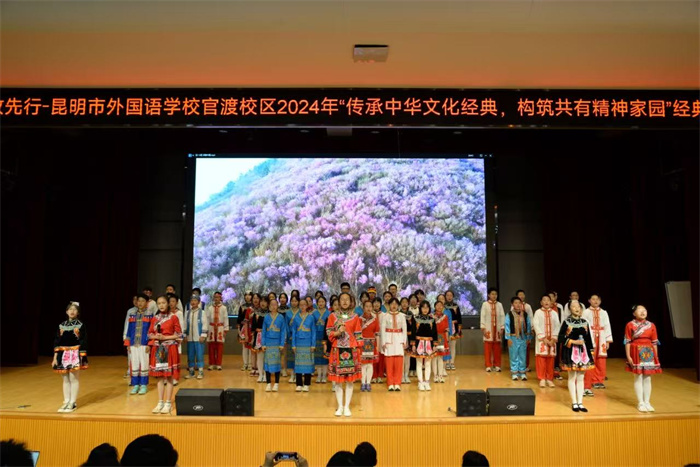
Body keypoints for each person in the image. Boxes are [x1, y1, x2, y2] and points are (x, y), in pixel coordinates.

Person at [327, 292, 363, 416]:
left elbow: (358, 333)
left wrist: (359, 349)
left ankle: (347, 406)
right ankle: (340, 406)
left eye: (347, 299)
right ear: (338, 301)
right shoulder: (332, 316)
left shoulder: (355, 317)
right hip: (337, 350)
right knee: (338, 381)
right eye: (342, 299)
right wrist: (337, 333)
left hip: (351, 350)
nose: (345, 301)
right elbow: (328, 332)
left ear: (351, 301)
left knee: (350, 381)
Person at [558, 300, 595, 412]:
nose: (576, 308)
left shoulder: (585, 322)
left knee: (581, 377)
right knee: (572, 376)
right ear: (570, 309)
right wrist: (573, 342)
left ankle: (580, 402)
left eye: (578, 306)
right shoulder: (567, 322)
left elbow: (588, 338)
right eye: (573, 306)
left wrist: (591, 352)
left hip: (583, 352)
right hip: (571, 352)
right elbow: (560, 338)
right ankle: (574, 402)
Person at [148, 295, 182, 414]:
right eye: (159, 303)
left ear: (168, 304)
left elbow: (179, 334)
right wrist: (155, 336)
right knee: (160, 377)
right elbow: (149, 334)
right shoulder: (155, 318)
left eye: (163, 303)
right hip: (158, 349)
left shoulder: (173, 317)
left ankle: (168, 402)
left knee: (169, 376)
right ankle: (160, 402)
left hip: (170, 348)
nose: (161, 305)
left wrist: (165, 337)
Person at [625, 305, 662, 412]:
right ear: (634, 313)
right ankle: (640, 402)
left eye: (644, 310)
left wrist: (656, 356)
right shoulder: (630, 325)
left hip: (648, 351)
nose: (642, 312)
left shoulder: (651, 325)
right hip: (636, 350)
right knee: (638, 376)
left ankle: (647, 402)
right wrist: (628, 356)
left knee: (647, 377)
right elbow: (627, 341)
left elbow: (654, 342)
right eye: (639, 310)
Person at [53, 301, 88, 413]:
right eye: (70, 309)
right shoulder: (61, 325)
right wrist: (55, 357)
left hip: (75, 353)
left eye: (74, 309)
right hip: (63, 354)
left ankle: (72, 402)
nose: (72, 311)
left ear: (78, 312)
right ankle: (66, 401)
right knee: (65, 379)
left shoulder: (80, 324)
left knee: (73, 378)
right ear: (66, 311)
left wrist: (82, 355)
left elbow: (83, 340)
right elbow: (57, 341)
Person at [123, 293, 155, 394]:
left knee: (144, 364)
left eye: (143, 301)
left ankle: (144, 385)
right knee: (134, 364)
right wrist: (128, 343)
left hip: (144, 343)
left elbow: (152, 331)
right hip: (133, 343)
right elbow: (129, 330)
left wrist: (150, 344)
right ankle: (135, 385)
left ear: (147, 303)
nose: (140, 303)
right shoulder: (132, 315)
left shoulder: (150, 315)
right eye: (139, 301)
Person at [583, 293, 613, 394]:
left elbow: (607, 326)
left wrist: (608, 340)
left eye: (597, 299)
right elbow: (584, 325)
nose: (595, 301)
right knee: (591, 358)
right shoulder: (585, 312)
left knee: (601, 359)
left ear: (600, 301)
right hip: (591, 336)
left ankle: (599, 380)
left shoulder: (604, 312)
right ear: (589, 301)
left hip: (601, 337)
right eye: (593, 299)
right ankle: (589, 380)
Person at [533, 294, 560, 388]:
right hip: (542, 340)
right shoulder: (537, 312)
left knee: (550, 360)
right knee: (541, 359)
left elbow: (557, 325)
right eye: (544, 300)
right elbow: (536, 325)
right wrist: (543, 338)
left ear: (551, 302)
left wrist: (553, 338)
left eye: (548, 300)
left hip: (552, 340)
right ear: (541, 302)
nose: (546, 302)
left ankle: (549, 378)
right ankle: (542, 378)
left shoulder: (554, 313)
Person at [380, 298, 408, 391]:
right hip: (389, 339)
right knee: (389, 362)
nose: (394, 305)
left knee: (399, 362)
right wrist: (383, 342)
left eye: (396, 304)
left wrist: (404, 341)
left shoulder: (402, 316)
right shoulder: (385, 316)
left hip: (399, 339)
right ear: (389, 305)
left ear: (398, 305)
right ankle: (390, 383)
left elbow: (404, 329)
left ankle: (397, 383)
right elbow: (382, 330)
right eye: (392, 303)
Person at [262, 298, 287, 392]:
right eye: (271, 305)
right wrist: (263, 344)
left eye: (275, 304)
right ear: (269, 306)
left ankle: (276, 383)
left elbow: (283, 331)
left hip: (277, 343)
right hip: (268, 342)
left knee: (276, 363)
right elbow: (264, 331)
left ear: (278, 306)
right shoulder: (266, 317)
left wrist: (282, 343)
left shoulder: (281, 317)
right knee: (268, 363)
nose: (273, 306)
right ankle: (268, 383)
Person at [292, 298, 316, 392]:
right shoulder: (296, 318)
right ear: (299, 306)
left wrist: (313, 344)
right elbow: (294, 331)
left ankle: (306, 384)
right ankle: (298, 384)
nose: (302, 307)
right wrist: (293, 345)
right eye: (301, 305)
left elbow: (313, 332)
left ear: (307, 306)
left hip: (308, 342)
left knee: (308, 364)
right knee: (298, 363)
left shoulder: (311, 317)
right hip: (298, 342)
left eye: (304, 305)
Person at [412, 300, 437, 391]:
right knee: (419, 363)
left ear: (429, 308)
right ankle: (420, 382)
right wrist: (413, 344)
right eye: (423, 307)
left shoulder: (432, 319)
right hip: (419, 343)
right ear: (420, 308)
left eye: (427, 307)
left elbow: (434, 333)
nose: (425, 309)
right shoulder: (415, 319)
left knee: (428, 363)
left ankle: (427, 381)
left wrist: (435, 344)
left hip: (429, 343)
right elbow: (413, 332)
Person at [505, 297, 531, 381]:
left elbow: (528, 325)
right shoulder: (509, 315)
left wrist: (528, 338)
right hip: (513, 338)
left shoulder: (525, 314)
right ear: (512, 304)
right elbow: (507, 326)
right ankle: (514, 373)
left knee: (523, 355)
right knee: (514, 355)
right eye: (515, 303)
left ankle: (522, 373)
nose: (518, 304)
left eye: (519, 303)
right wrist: (508, 338)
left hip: (523, 338)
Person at [184, 294, 208, 379]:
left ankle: (200, 372)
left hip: (199, 338)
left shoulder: (202, 312)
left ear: (198, 302)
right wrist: (185, 335)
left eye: (195, 300)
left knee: (199, 354)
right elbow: (185, 324)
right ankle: (191, 372)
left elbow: (205, 324)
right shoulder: (187, 313)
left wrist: (203, 335)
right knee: (190, 355)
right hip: (190, 338)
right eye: (192, 300)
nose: (193, 302)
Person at [480, 288, 504, 372]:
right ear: (488, 295)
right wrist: (483, 327)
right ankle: (488, 365)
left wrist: (502, 327)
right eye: (492, 294)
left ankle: (497, 365)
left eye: (495, 294)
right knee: (487, 348)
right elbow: (482, 315)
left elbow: (502, 316)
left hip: (497, 328)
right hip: (488, 328)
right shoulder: (485, 304)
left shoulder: (499, 305)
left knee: (497, 348)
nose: (494, 296)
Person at [359, 300, 379, 392]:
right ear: (363, 308)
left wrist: (377, 345)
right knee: (363, 364)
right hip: (362, 344)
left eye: (370, 306)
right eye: (366, 306)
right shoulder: (359, 319)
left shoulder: (375, 320)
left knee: (370, 364)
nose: (368, 308)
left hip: (371, 343)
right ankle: (363, 383)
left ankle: (368, 383)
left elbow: (377, 334)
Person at [206, 291, 229, 370]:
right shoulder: (210, 308)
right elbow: (207, 319)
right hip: (211, 328)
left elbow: (225, 318)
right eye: (215, 297)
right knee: (211, 347)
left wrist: (225, 329)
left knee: (219, 347)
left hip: (220, 328)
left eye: (218, 297)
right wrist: (206, 329)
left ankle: (219, 364)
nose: (216, 299)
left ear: (220, 298)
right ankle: (211, 364)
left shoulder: (224, 308)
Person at [431, 301, 451, 383]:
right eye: (437, 305)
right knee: (434, 357)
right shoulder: (431, 316)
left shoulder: (445, 317)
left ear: (443, 307)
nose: (439, 307)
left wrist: (447, 339)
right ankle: (435, 376)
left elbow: (446, 329)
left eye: (441, 305)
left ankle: (440, 375)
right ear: (435, 306)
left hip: (442, 338)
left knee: (440, 358)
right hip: (433, 338)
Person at [312, 296, 331, 383]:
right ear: (317, 303)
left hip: (325, 337)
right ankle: (319, 375)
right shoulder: (314, 313)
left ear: (325, 303)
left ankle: (324, 375)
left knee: (325, 357)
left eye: (322, 301)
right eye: (319, 302)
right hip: (317, 336)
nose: (321, 303)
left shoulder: (329, 313)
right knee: (318, 357)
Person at [515, 289, 534, 371]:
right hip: (517, 330)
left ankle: (526, 365)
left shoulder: (528, 306)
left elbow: (531, 317)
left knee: (526, 348)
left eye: (523, 294)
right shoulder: (513, 306)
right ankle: (517, 365)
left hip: (526, 331)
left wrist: (532, 328)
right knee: (517, 348)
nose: (521, 296)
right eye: (520, 295)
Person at [252, 296, 270, 383]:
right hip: (258, 337)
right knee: (259, 356)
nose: (263, 303)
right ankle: (260, 374)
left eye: (265, 301)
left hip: (268, 337)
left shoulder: (270, 314)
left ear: (268, 303)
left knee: (267, 357)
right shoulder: (256, 313)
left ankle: (266, 375)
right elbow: (253, 326)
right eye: (261, 301)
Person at [444, 290, 463, 371]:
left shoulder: (456, 306)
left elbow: (459, 318)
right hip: (445, 328)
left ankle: (452, 363)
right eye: (447, 295)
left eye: (450, 295)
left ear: (453, 297)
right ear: (445, 296)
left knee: (452, 346)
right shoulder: (442, 306)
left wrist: (459, 330)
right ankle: (446, 362)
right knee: (446, 346)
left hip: (454, 328)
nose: (449, 297)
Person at [237, 292, 256, 371]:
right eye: (246, 295)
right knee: (244, 347)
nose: (248, 297)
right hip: (244, 329)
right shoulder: (242, 306)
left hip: (251, 328)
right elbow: (239, 318)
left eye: (249, 295)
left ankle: (250, 364)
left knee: (251, 346)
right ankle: (245, 364)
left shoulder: (254, 307)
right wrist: (239, 328)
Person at [400, 297, 415, 384]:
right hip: (400, 337)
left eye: (406, 302)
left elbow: (413, 327)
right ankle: (401, 375)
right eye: (403, 302)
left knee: (408, 357)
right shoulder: (398, 314)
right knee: (401, 357)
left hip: (409, 337)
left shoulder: (410, 314)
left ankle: (406, 375)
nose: (404, 304)